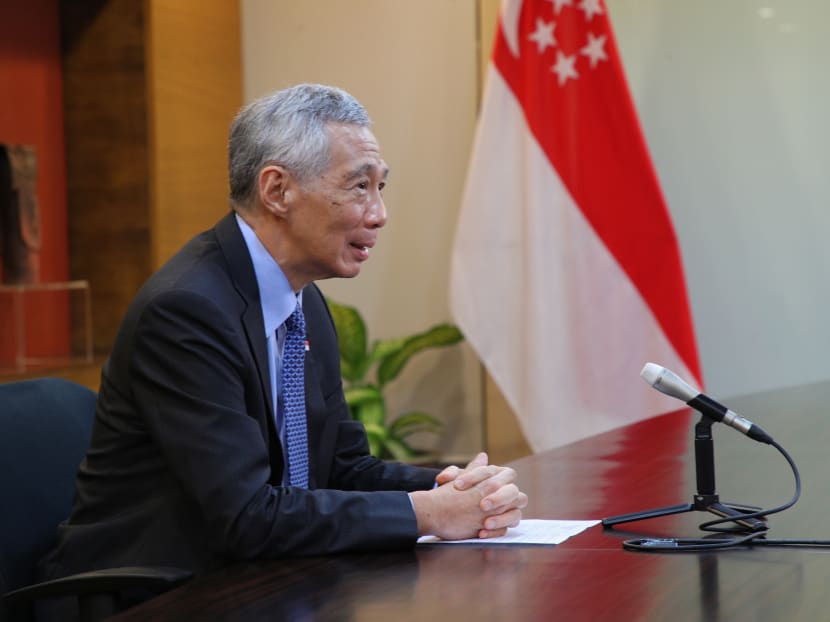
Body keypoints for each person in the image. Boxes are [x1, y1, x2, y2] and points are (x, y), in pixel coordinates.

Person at [38, 84, 527, 587]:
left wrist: (456, 488)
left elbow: (341, 466)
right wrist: (427, 513)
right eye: (360, 187)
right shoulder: (186, 313)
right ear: (276, 191)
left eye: (381, 187)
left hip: (258, 576)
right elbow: (246, 515)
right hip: (152, 591)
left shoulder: (302, 301)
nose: (379, 213)